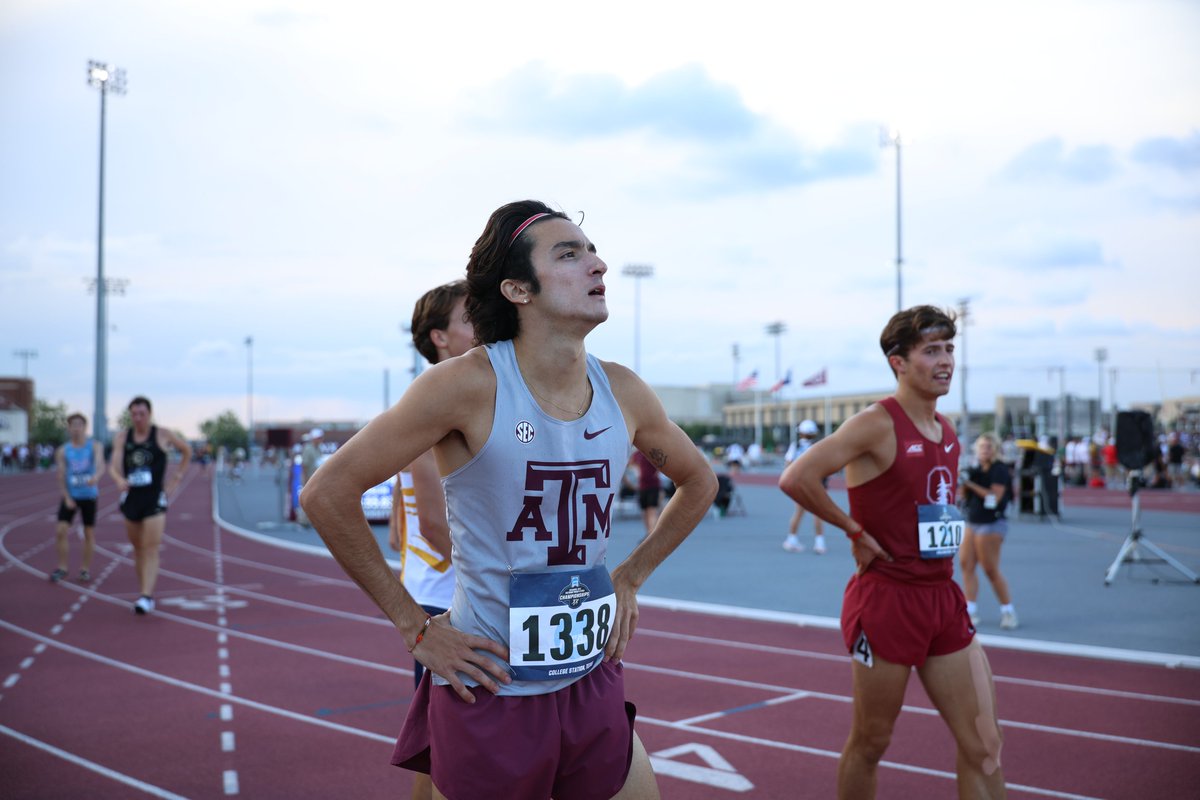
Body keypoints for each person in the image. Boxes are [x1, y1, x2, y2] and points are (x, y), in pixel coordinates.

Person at [302, 200, 717, 800]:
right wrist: (414, 628)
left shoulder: (623, 390)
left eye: (592, 250)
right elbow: (327, 492)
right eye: (569, 255)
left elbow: (698, 482)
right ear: (518, 288)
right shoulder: (464, 385)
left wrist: (630, 577)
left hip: (590, 675)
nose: (598, 264)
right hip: (491, 685)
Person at [778, 305, 1006, 799]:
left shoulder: (946, 431)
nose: (945, 360)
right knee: (872, 741)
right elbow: (797, 478)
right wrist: (852, 529)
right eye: (931, 351)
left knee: (984, 741)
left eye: (949, 349)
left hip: (941, 599)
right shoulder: (876, 424)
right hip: (887, 601)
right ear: (898, 362)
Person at [387, 279, 474, 800]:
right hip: (447, 602)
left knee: (445, 744)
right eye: (472, 317)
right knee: (453, 745)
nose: (484, 325)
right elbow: (440, 530)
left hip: (446, 591)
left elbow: (405, 520)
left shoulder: (456, 400)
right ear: (439, 337)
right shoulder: (431, 407)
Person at [108, 396, 193, 614]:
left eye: (142, 414)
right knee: (138, 549)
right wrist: (119, 480)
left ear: (149, 414)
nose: (138, 418)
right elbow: (114, 466)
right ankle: (144, 590)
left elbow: (186, 451)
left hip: (154, 497)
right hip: (132, 498)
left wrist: (176, 478)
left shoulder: (162, 434)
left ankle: (146, 595)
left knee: (150, 547)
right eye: (134, 414)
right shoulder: (122, 437)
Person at [958, 432, 1018, 630]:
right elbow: (964, 494)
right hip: (973, 521)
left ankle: (1008, 611)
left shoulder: (999, 470)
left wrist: (969, 484)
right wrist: (963, 482)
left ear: (996, 450)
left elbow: (994, 496)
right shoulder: (974, 469)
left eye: (989, 447)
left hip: (991, 523)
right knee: (966, 564)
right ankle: (970, 609)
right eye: (982, 446)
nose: (985, 450)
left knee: (990, 568)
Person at [50, 412, 104, 583]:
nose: (76, 429)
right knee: (61, 530)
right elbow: (61, 475)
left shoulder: (94, 446)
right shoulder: (63, 451)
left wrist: (96, 476)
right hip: (71, 495)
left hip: (89, 495)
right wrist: (66, 496)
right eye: (73, 425)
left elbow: (100, 464)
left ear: (84, 427)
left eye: (79, 425)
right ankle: (63, 568)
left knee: (88, 532)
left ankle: (85, 569)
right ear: (69, 428)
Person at [782, 419, 827, 554]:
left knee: (799, 512)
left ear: (800, 433)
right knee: (818, 514)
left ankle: (791, 539)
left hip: (799, 484)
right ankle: (819, 543)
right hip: (816, 483)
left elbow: (788, 465)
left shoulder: (794, 447)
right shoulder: (819, 446)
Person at [629, 449, 663, 539]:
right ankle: (649, 532)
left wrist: (658, 471)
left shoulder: (652, 452)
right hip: (642, 486)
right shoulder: (637, 454)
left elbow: (663, 463)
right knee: (644, 511)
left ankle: (652, 534)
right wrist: (637, 471)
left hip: (653, 485)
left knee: (652, 510)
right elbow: (631, 463)